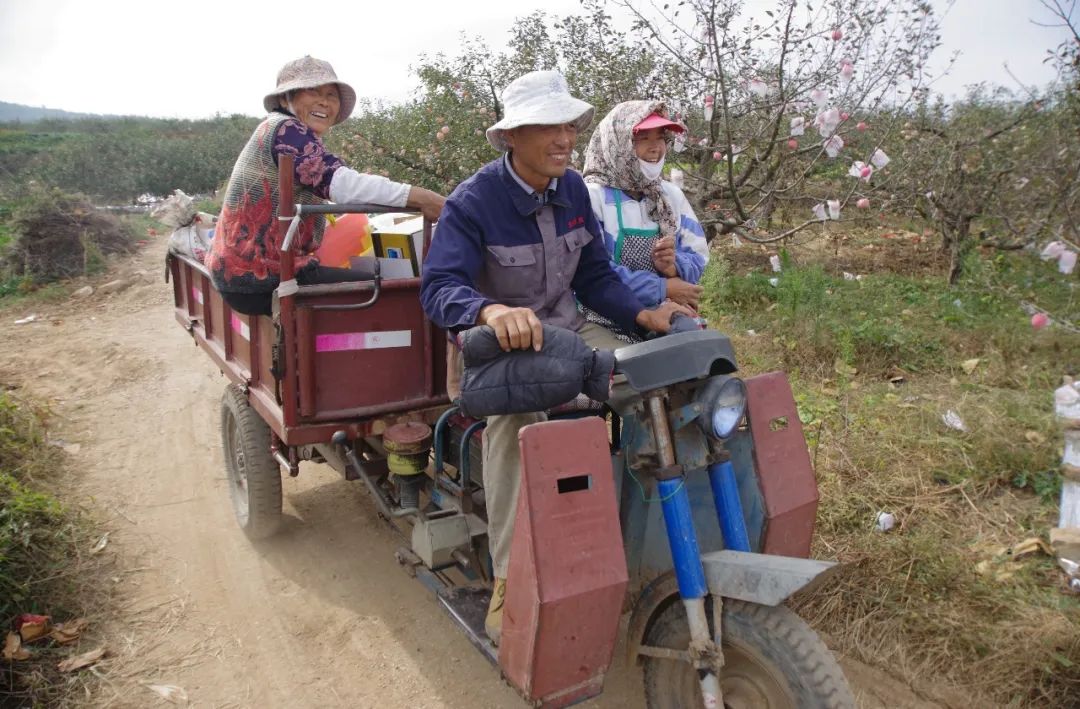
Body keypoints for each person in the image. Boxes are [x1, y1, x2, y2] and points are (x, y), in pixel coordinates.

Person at [419, 71, 690, 645]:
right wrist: (490, 311)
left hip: (569, 333)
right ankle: (510, 578)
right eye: (549, 126)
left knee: (659, 379)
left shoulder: (571, 192)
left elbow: (594, 276)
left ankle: (641, 544)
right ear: (512, 136)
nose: (565, 137)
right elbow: (438, 287)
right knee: (521, 423)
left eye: (569, 124)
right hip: (498, 351)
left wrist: (644, 314)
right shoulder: (474, 203)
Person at [205, 56, 445, 316]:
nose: (324, 101)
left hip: (243, 273)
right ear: (287, 97)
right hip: (263, 277)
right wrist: (422, 198)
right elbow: (340, 183)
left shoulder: (281, 131)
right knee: (391, 298)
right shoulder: (287, 130)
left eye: (331, 95)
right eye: (313, 91)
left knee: (370, 282)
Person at [581, 100, 709, 341]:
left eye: (660, 138)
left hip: (667, 311)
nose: (655, 148)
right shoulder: (593, 197)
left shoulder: (670, 196)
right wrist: (663, 287)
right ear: (618, 143)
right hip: (604, 317)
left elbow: (698, 255)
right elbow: (592, 272)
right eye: (643, 139)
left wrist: (674, 266)